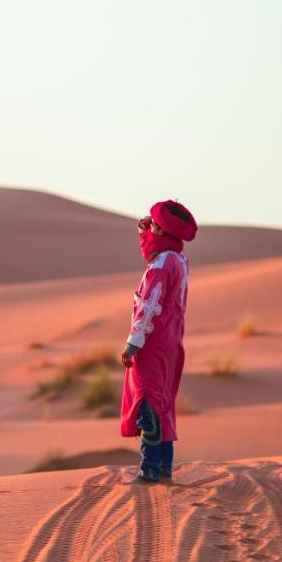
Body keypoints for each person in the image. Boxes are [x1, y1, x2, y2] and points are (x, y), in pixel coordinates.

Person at [119, 200, 197, 483]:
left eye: (152, 225)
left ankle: (148, 470)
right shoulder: (178, 260)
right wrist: (145, 228)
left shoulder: (161, 265)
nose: (148, 228)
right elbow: (151, 248)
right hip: (171, 341)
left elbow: (149, 306)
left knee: (147, 402)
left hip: (153, 341)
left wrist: (133, 343)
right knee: (162, 402)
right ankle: (163, 467)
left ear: (162, 232)